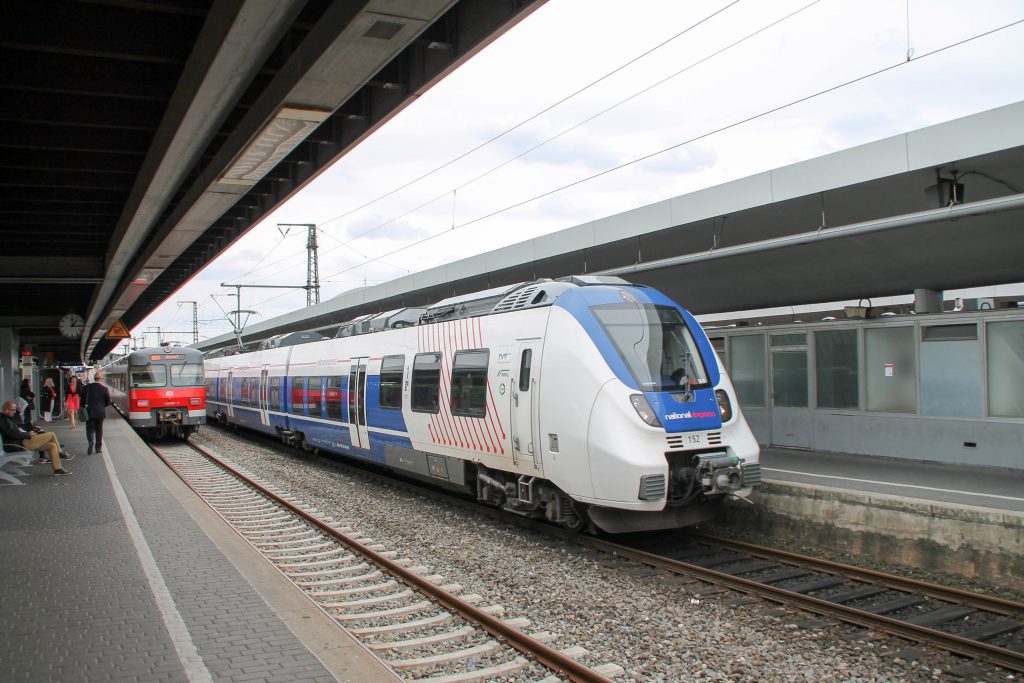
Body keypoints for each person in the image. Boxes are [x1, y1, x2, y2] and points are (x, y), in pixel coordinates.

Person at [1, 401, 73, 475]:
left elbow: (16, 430)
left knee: (52, 445)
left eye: (15, 410)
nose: (14, 412)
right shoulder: (4, 420)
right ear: (6, 410)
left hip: (21, 441)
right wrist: (28, 434)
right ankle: (60, 453)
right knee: (51, 434)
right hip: (21, 443)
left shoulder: (7, 418)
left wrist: (27, 433)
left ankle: (58, 468)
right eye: (12, 410)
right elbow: (15, 434)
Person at [82, 371, 111, 455]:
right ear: (101, 379)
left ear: (94, 378)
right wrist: (102, 405)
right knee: (99, 430)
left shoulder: (86, 387)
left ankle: (91, 441)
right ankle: (98, 448)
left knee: (89, 428)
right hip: (100, 412)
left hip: (90, 411)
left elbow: (82, 401)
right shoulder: (104, 388)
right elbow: (108, 402)